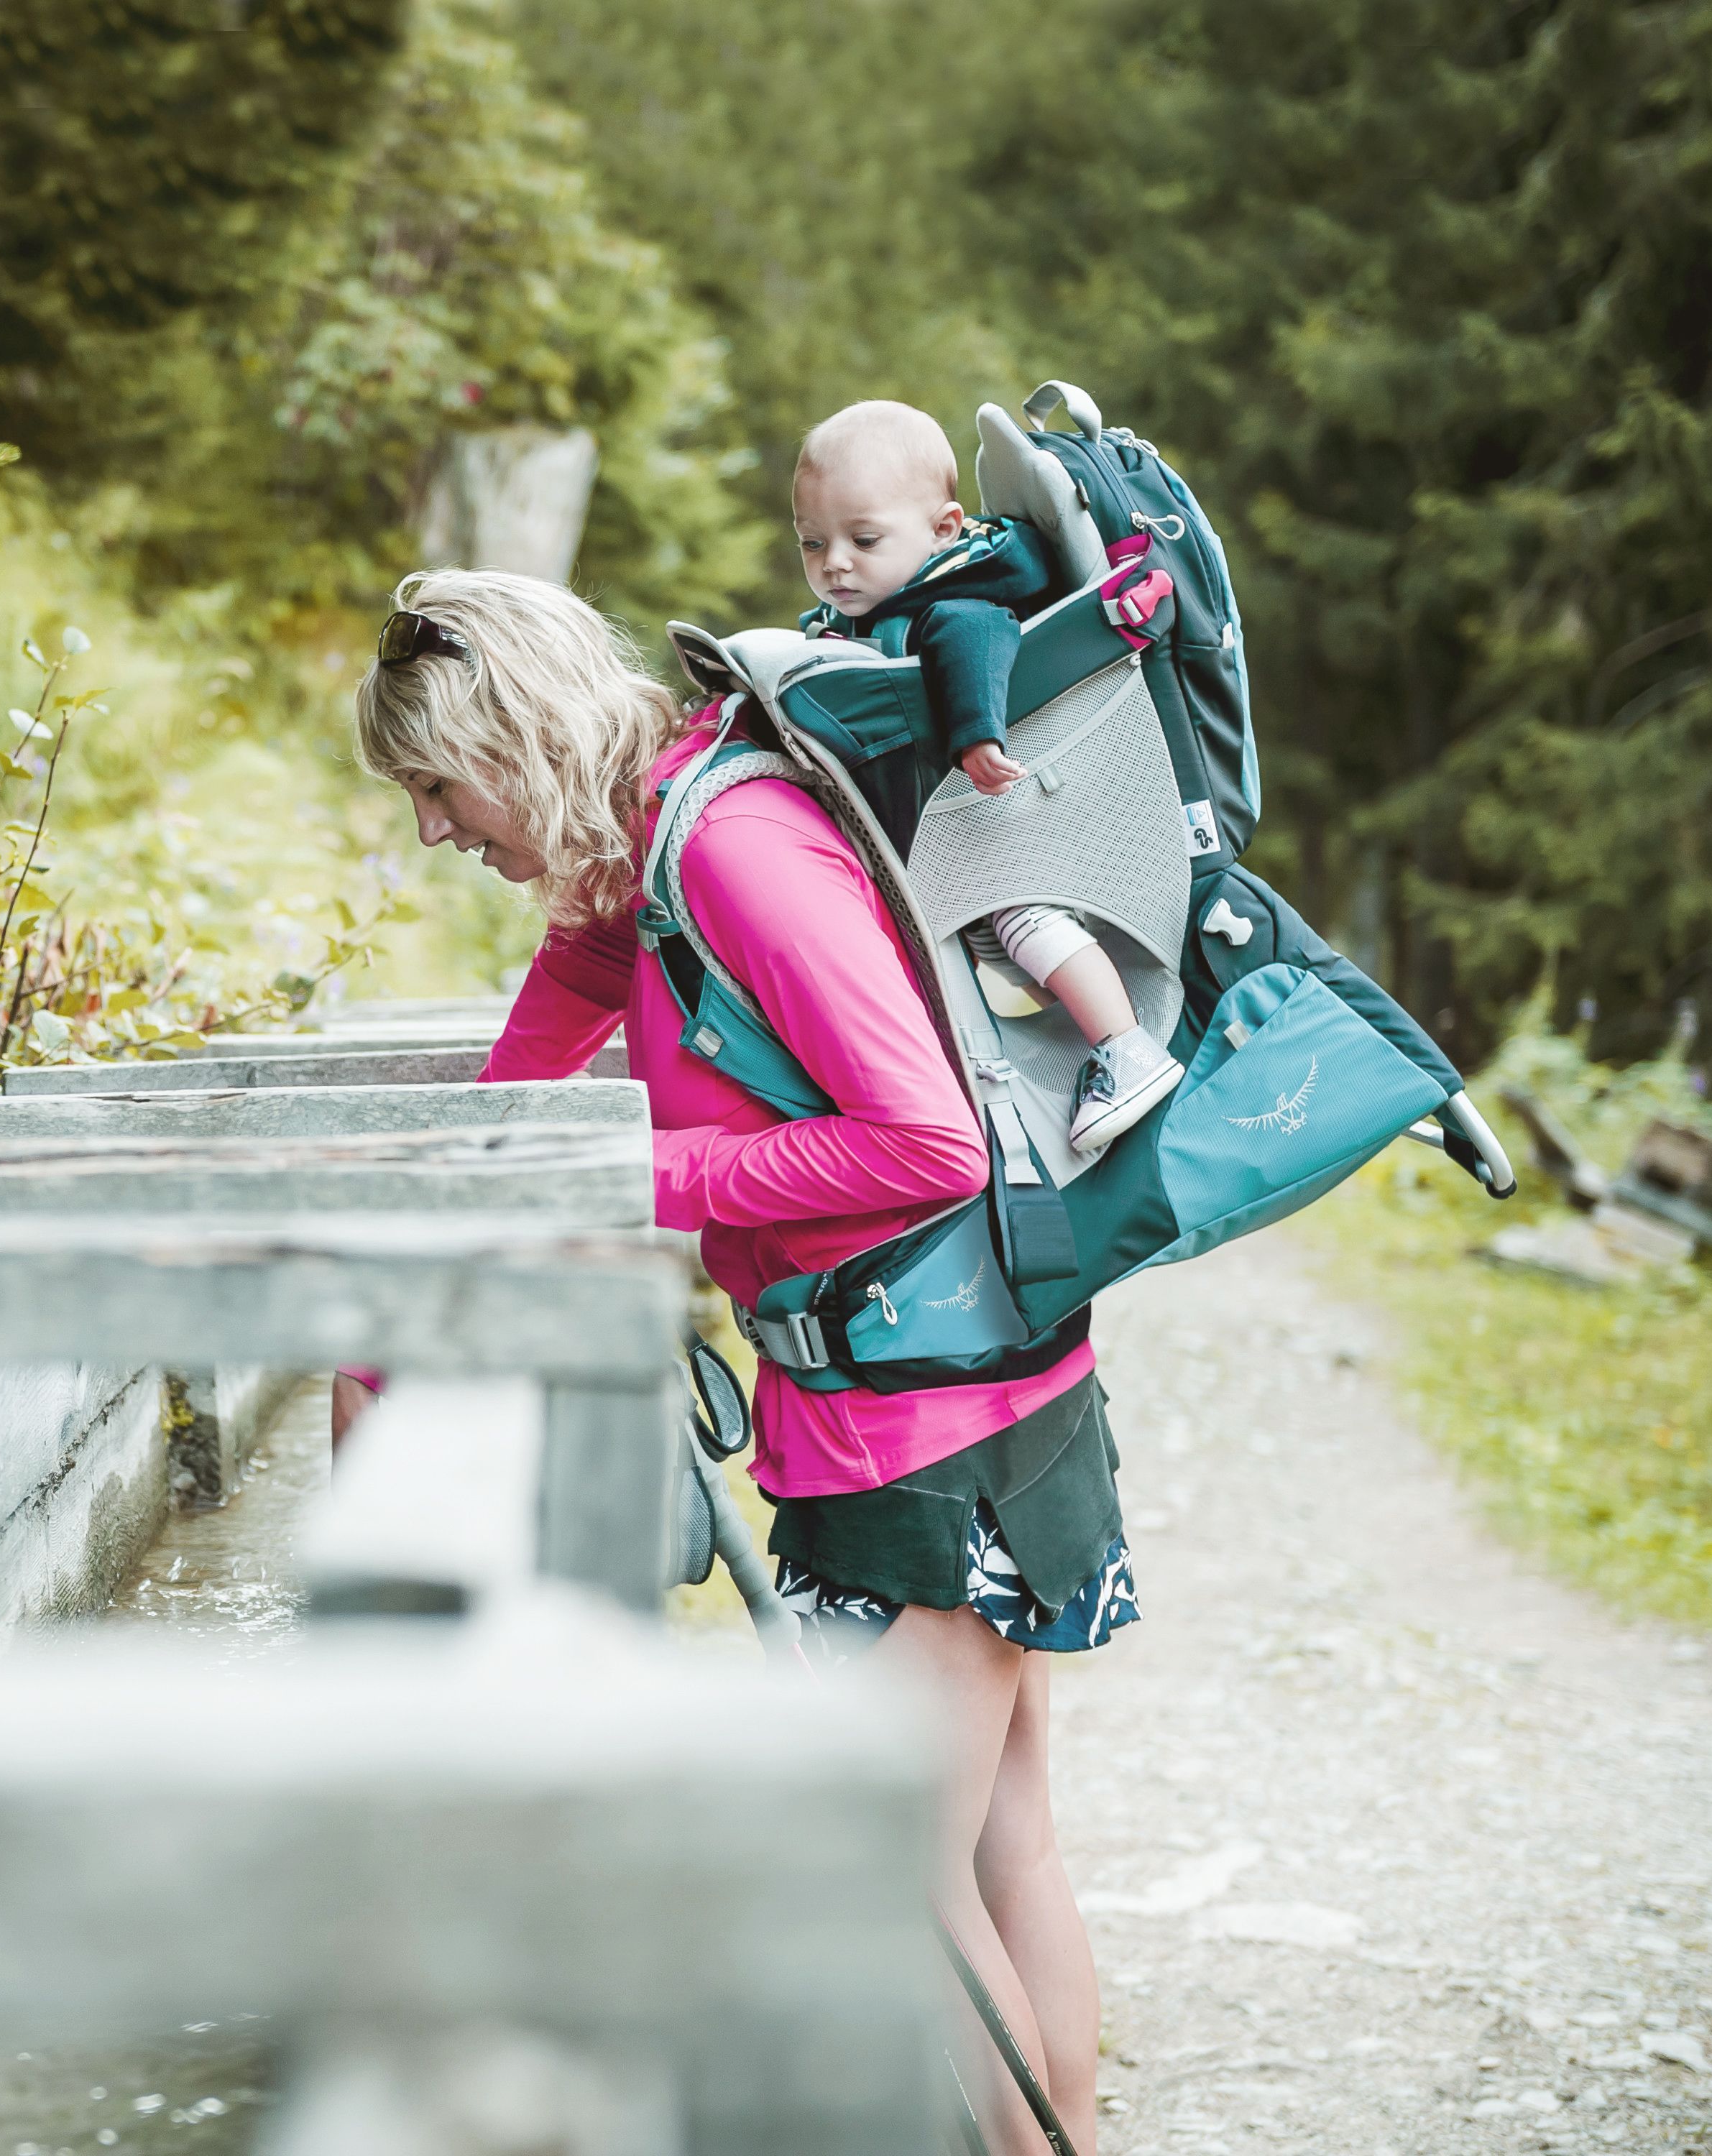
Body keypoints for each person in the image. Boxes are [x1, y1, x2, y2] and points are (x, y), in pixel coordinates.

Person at [354, 567, 1136, 2156]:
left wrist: (647, 1188)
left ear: (515, 738)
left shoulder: (728, 848)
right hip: (954, 1388)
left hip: (934, 1426)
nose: (435, 827)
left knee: (902, 1878)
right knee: (997, 1850)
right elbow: (534, 1077)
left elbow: (920, 1138)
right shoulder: (633, 870)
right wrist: (403, 1300)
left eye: (439, 786)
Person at [795, 398, 1182, 1154]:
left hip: (1014, 802)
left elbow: (981, 642)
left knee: (1023, 919)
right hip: (982, 814)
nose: (834, 562)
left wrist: (977, 736)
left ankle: (1128, 1048)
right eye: (813, 543)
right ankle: (1089, 1042)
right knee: (998, 939)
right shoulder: (884, 600)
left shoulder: (953, 598)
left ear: (942, 529)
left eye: (862, 539)